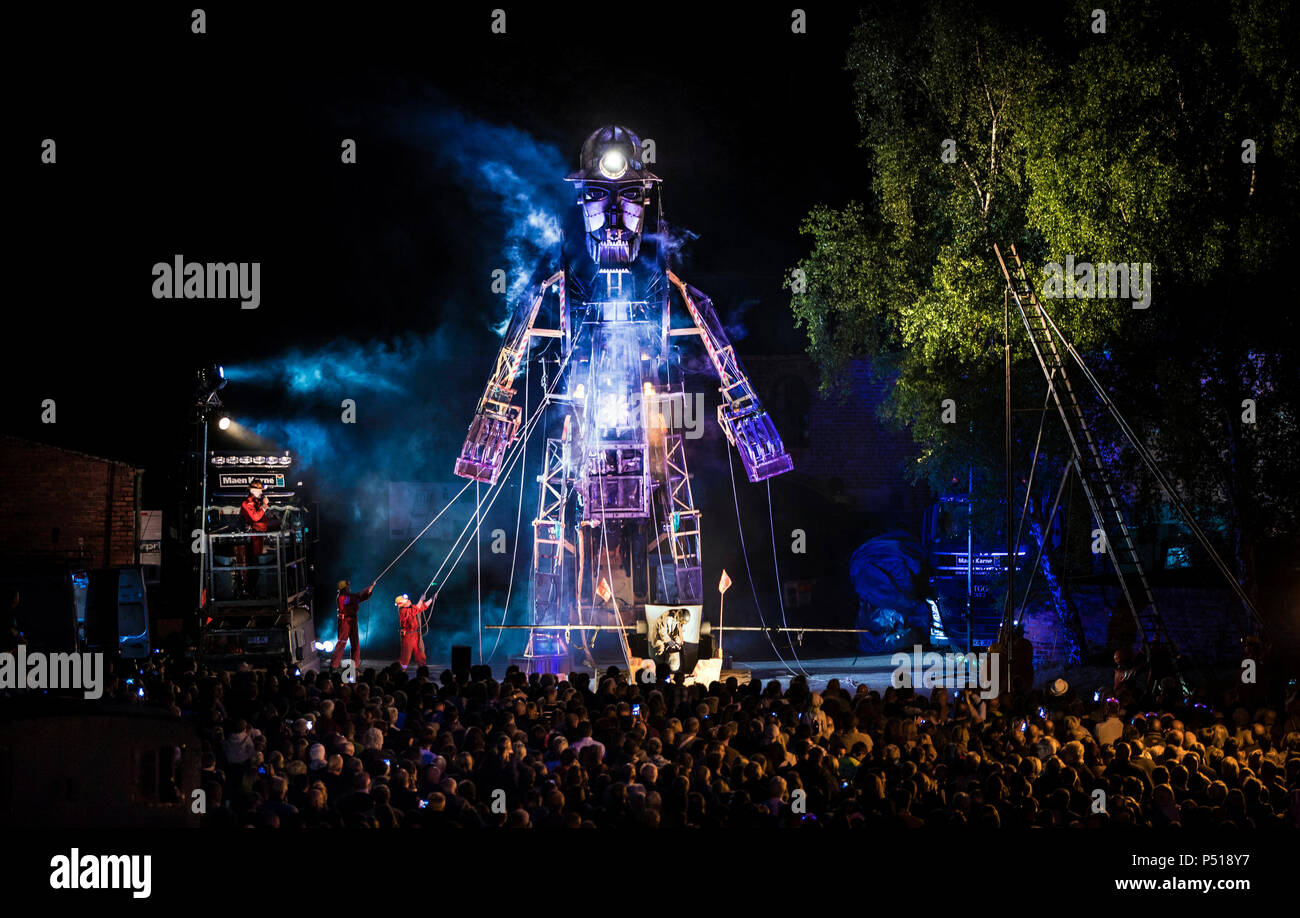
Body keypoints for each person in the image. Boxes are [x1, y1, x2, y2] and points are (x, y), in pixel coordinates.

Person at [331, 579, 375, 671]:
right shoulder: (342, 597)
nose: (349, 587)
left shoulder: (349, 596)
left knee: (355, 644)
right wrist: (366, 589)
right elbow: (356, 597)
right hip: (345, 622)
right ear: (344, 588)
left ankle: (355, 666)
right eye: (347, 586)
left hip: (352, 620)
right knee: (342, 643)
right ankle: (334, 666)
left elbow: (358, 598)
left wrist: (368, 591)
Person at [395, 593, 432, 670]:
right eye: (406, 601)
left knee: (420, 654)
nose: (409, 601)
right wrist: (421, 600)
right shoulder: (403, 611)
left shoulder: (412, 608)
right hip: (408, 636)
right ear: (403, 604)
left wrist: (432, 599)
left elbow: (422, 607)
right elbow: (415, 609)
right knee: (405, 657)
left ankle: (422, 671)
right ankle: (400, 671)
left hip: (416, 635)